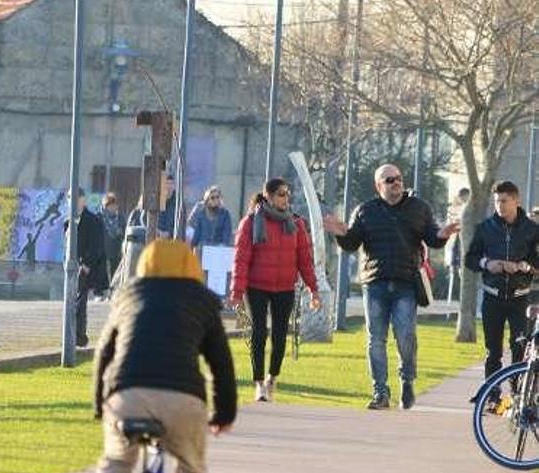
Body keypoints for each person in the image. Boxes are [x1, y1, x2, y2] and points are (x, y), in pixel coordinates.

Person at [94, 239, 236, 473]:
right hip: (183, 401)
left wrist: (99, 403)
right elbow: (221, 364)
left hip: (127, 394)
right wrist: (224, 414)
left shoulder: (129, 295)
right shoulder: (202, 300)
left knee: (117, 460)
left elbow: (104, 352)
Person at [323, 164, 459, 410]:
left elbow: (432, 238)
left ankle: (407, 381)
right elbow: (351, 243)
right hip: (374, 284)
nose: (396, 183)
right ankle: (380, 392)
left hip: (406, 283)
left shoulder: (419, 208)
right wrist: (340, 233)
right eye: (389, 180)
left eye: (398, 178)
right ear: (378, 186)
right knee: (376, 340)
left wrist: (443, 234)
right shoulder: (365, 211)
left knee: (405, 336)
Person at [230, 179, 322, 403]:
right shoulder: (250, 223)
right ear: (268, 196)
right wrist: (237, 292)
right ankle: (259, 383)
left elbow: (305, 260)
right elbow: (241, 259)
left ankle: (272, 377)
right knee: (258, 333)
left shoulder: (296, 224)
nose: (286, 199)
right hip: (257, 286)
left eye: (287, 194)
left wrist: (314, 289)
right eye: (281, 194)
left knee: (280, 335)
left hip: (284, 287)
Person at [465, 181, 539, 404]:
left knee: (519, 348)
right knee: (492, 351)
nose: (500, 206)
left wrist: (524, 266)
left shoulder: (532, 230)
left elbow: (537, 260)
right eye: (497, 201)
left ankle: (518, 395)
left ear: (516, 201)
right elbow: (470, 258)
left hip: (520, 298)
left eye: (504, 201)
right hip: (493, 296)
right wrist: (488, 263)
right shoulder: (485, 228)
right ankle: (492, 396)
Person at [71, 189, 108, 347]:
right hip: (72, 268)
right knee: (73, 302)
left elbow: (97, 245)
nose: (71, 202)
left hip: (86, 267)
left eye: (75, 198)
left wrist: (86, 265)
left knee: (80, 301)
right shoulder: (69, 221)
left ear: (83, 200)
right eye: (69, 198)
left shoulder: (93, 220)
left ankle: (79, 335)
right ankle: (75, 335)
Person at [187, 185, 233, 249]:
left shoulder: (225, 214)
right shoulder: (199, 209)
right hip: (199, 249)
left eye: (218, 197)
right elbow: (190, 230)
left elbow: (226, 236)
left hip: (216, 251)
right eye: (212, 197)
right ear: (207, 199)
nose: (215, 200)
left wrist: (221, 248)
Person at [97, 193, 124, 295]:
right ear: (106, 206)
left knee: (115, 272)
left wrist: (120, 232)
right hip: (102, 250)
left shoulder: (120, 218)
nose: (113, 208)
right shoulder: (99, 217)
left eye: (115, 205)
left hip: (116, 250)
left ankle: (113, 292)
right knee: (102, 272)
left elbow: (124, 231)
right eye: (111, 205)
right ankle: (100, 293)